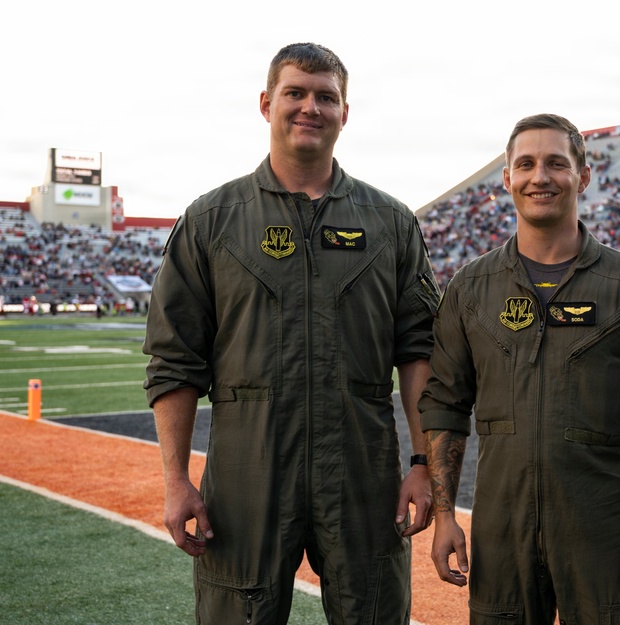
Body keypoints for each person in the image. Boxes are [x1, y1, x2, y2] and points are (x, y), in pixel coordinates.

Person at [143, 42, 440, 625]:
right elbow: (174, 359)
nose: (310, 107)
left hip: (362, 472)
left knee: (374, 612)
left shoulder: (391, 223)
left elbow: (420, 351)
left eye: (326, 97)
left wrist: (423, 462)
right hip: (247, 474)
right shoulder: (211, 220)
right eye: (295, 93)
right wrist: (176, 480)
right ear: (266, 103)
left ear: (344, 112)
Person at [419, 114, 620, 624]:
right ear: (507, 178)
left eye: (556, 163)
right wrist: (444, 516)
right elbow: (445, 406)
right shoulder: (469, 288)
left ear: (583, 176)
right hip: (501, 528)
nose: (540, 177)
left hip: (601, 527)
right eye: (526, 164)